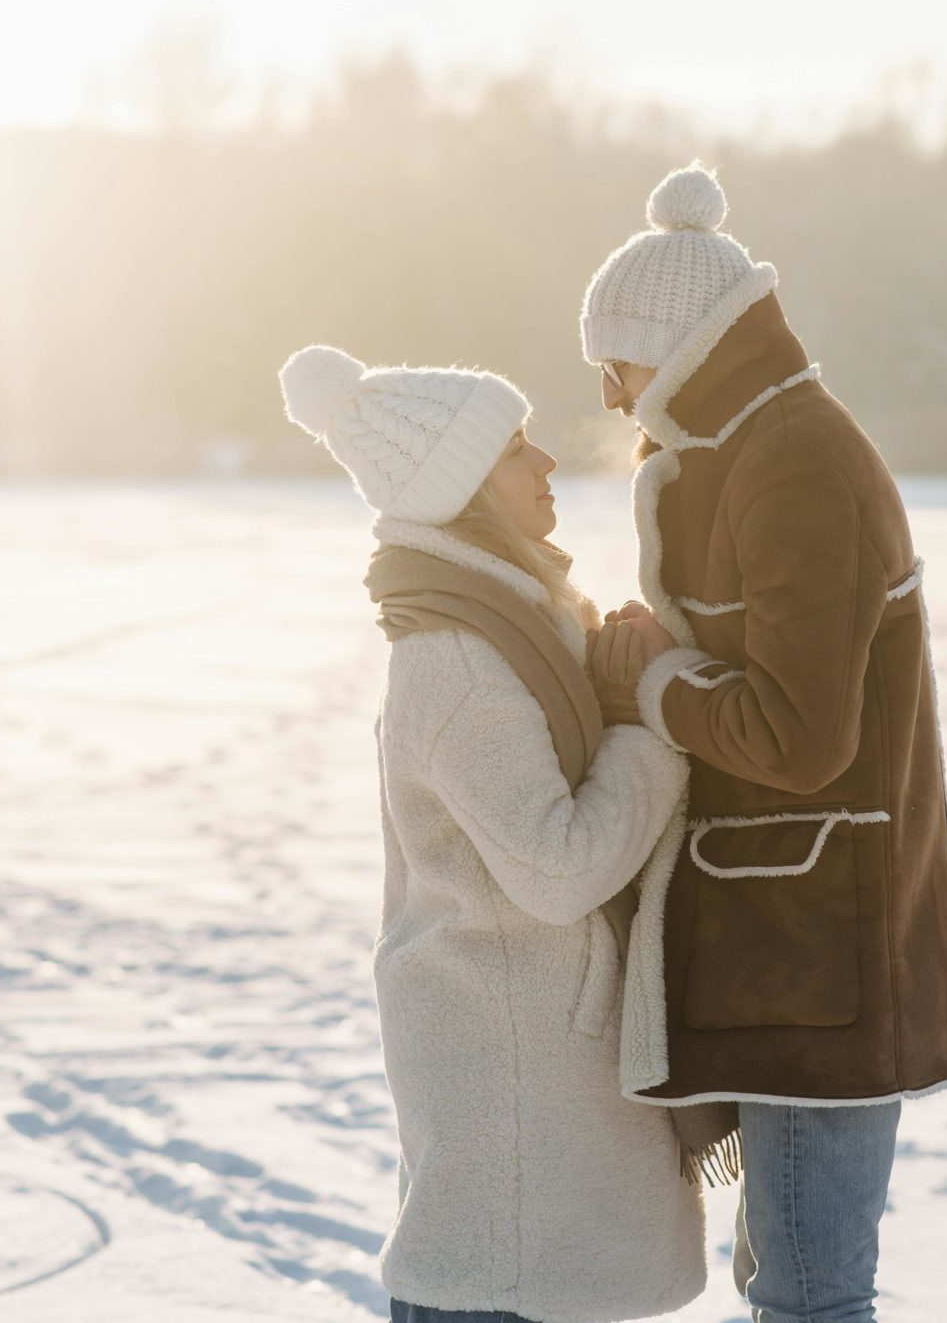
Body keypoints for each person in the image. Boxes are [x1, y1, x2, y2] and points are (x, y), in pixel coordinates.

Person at [577, 162, 947, 1322]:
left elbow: (799, 737)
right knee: (787, 1279)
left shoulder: (795, 462)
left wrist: (654, 681)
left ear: (681, 348)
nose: (611, 396)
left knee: (808, 1289)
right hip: (786, 944)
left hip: (824, 951)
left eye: (617, 362)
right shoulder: (747, 453)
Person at [278, 344, 711, 1323]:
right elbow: (557, 871)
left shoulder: (522, 625)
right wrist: (645, 726)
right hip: (512, 1119)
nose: (545, 464)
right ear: (463, 487)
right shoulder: (460, 663)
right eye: (516, 448)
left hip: (540, 1100)